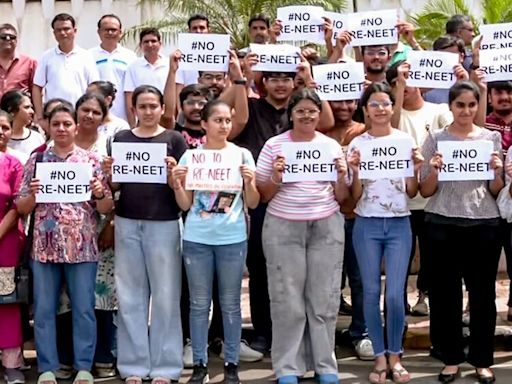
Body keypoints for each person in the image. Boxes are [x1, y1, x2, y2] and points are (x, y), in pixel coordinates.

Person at [16, 102, 113, 384]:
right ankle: (48, 367)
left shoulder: (91, 161)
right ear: (47, 125)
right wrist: (33, 195)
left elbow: (106, 207)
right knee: (44, 309)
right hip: (44, 249)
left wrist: (98, 192)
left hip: (82, 247)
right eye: (56, 124)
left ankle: (84, 366)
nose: (61, 129)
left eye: (66, 124)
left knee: (84, 309)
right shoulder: (37, 161)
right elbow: (21, 207)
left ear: (75, 126)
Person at [256, 89, 349, 384]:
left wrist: (346, 173)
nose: (307, 116)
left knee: (324, 299)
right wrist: (276, 176)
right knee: (287, 300)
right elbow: (263, 196)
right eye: (301, 111)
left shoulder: (331, 146)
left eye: (312, 111)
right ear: (291, 114)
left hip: (326, 226)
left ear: (319, 114)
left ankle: (325, 365)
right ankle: (287, 368)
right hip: (283, 227)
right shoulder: (274, 146)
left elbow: (343, 196)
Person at [102, 85, 188, 384]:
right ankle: (133, 366)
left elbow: (184, 187)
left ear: (163, 108)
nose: (149, 111)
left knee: (165, 296)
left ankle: (166, 367)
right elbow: (114, 187)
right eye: (143, 106)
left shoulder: (175, 140)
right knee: (130, 296)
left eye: (154, 106)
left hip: (165, 223)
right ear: (134, 109)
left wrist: (174, 175)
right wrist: (110, 174)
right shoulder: (120, 140)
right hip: (127, 222)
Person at [172, 99, 260, 384]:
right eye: (218, 120)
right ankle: (200, 364)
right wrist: (176, 184)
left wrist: (250, 182)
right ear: (205, 124)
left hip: (232, 239)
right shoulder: (191, 157)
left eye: (227, 120)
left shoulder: (243, 155)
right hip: (197, 238)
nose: (224, 125)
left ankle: (231, 364)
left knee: (231, 303)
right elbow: (185, 205)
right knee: (199, 304)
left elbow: (254, 201)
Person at [420, 81, 502, 384]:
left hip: (483, 224)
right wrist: (435, 169)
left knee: (483, 296)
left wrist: (497, 171)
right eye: (460, 105)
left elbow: (496, 189)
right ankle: (451, 358)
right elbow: (427, 190)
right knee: (445, 296)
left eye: (471, 105)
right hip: (441, 223)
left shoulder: (491, 138)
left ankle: (482, 360)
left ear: (478, 105)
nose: (466, 111)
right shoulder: (435, 139)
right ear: (451, 107)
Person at [347, 82, 423, 384]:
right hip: (366, 224)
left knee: (395, 295)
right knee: (369, 292)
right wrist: (353, 172)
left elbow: (413, 190)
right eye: (374, 104)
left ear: (393, 108)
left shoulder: (405, 141)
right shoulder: (357, 144)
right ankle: (379, 357)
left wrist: (417, 169)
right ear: (365, 110)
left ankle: (395, 355)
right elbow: (353, 198)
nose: (380, 109)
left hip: (399, 224)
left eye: (385, 104)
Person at [55, 93, 117, 379]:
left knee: (101, 296)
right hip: (62, 239)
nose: (89, 115)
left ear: (103, 117)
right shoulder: (55, 148)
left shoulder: (109, 149)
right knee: (66, 299)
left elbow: (119, 192)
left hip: (102, 232)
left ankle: (102, 355)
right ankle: (67, 357)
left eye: (95, 111)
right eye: (84, 110)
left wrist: (110, 225)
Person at [322, 98, 373, 360]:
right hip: (325, 216)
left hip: (358, 216)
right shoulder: (319, 132)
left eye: (349, 100)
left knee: (361, 280)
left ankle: (361, 333)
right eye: (336, 100)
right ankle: (325, 338)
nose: (343, 105)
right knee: (327, 283)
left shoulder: (365, 132)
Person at [32, 13, 99, 126]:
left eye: (66, 29)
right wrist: (40, 118)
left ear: (75, 30)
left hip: (80, 116)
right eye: (58, 30)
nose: (63, 33)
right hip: (53, 117)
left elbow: (94, 88)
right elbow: (37, 87)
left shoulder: (86, 56)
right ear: (54, 33)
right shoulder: (47, 57)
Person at [0, 110, 26, 384]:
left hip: (5, 239)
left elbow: (18, 204)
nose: (1, 131)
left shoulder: (13, 163)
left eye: (5, 126)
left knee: (5, 301)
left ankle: (11, 364)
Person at [486, 81, 512, 322]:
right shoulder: (481, 125)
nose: (504, 97)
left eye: (508, 92)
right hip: (486, 204)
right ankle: (478, 305)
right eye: (498, 92)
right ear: (490, 96)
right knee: (483, 263)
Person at [89, 14, 137, 121]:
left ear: (120, 32)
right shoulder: (88, 56)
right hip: (95, 115)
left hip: (123, 115)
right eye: (106, 30)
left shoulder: (130, 56)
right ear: (99, 32)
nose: (110, 33)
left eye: (113, 30)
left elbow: (132, 88)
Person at [124, 28, 168, 128]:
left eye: (153, 41)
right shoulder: (133, 66)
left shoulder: (170, 65)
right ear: (141, 45)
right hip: (143, 118)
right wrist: (132, 124)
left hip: (166, 117)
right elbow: (129, 95)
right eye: (146, 42)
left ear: (160, 44)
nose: (150, 44)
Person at [0, 90, 45, 163]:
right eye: (26, 107)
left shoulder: (37, 138)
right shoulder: (2, 138)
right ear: (11, 110)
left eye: (31, 107)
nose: (32, 112)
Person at [0, 23, 37, 101]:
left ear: (16, 41)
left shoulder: (29, 63)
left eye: (12, 37)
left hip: (19, 111)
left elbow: (36, 91)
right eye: (3, 37)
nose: (8, 39)